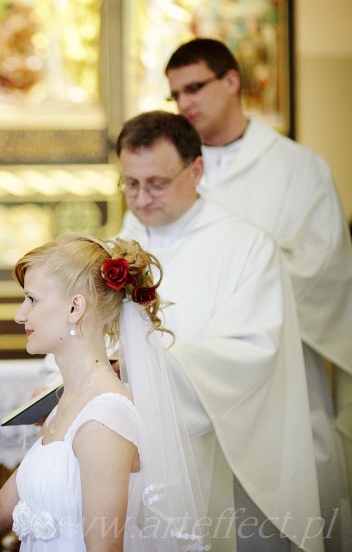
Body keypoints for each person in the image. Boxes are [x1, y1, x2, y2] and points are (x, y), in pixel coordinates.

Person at [166, 38, 352, 548]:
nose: (184, 104)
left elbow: (321, 271)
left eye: (195, 87)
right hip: (194, 380)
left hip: (278, 369)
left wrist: (233, 299)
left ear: (232, 82)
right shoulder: (169, 174)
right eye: (175, 94)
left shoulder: (298, 169)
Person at [116, 110, 323, 551]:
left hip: (221, 454)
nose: (141, 200)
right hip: (137, 450)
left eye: (156, 183)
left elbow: (252, 351)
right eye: (130, 184)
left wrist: (150, 368)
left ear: (197, 170)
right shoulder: (122, 246)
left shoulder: (246, 245)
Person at [0, 233, 206, 550]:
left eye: (32, 299)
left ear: (74, 308)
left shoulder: (104, 418)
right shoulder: (66, 403)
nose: (20, 314)